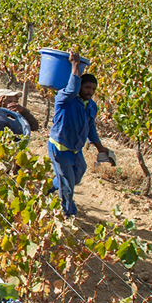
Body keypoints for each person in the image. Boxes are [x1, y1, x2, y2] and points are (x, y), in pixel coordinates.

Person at [46, 50, 107, 217]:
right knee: (68, 183)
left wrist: (100, 147)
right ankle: (67, 213)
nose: (90, 91)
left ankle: (50, 187)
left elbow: (91, 128)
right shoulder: (64, 97)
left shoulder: (91, 106)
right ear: (79, 84)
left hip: (75, 149)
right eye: (87, 87)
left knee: (78, 173)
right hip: (60, 147)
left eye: (93, 89)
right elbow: (72, 89)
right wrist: (75, 65)